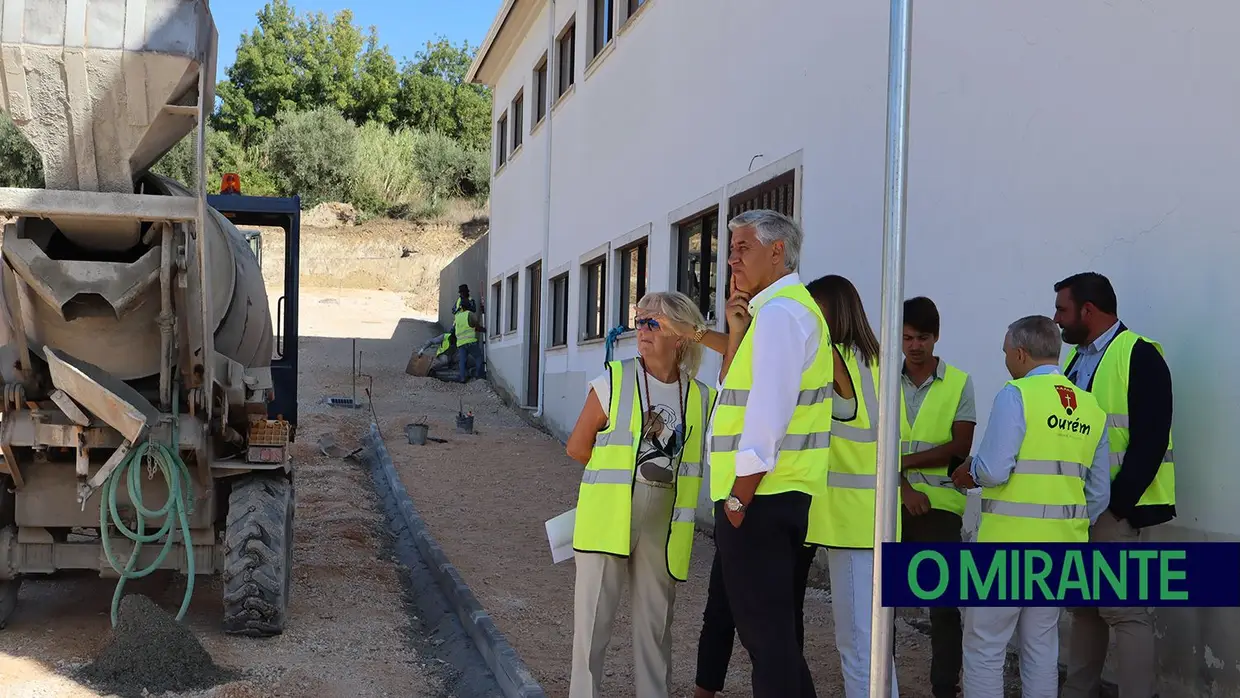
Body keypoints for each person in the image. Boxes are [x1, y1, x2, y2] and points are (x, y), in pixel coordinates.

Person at [706, 208, 833, 698]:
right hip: (776, 496)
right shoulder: (780, 312)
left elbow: (768, 414)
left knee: (768, 640)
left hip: (759, 498)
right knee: (774, 636)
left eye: (742, 250)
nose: (732, 262)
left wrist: (739, 499)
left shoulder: (781, 314)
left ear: (777, 252)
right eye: (730, 251)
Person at [565, 291, 716, 698]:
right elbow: (578, 446)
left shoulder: (701, 397)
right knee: (593, 626)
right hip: (609, 516)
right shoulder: (615, 378)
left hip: (665, 525)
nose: (642, 331)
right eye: (640, 321)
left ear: (681, 336)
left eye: (654, 323)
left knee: (655, 628)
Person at [951, 315, 1111, 698]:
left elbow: (992, 470)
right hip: (1062, 550)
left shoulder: (1016, 394)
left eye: (1007, 352)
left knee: (985, 647)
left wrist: (969, 469)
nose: (1006, 360)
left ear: (1021, 353)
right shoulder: (1091, 408)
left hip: (1005, 548)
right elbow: (1099, 493)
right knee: (1041, 648)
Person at [1053, 272, 1175, 698]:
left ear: (1088, 310)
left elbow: (1152, 438)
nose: (1056, 320)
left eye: (1062, 310)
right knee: (1084, 608)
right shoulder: (1077, 360)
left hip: (1114, 511)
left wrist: (1118, 505)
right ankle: (1079, 691)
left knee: (1124, 611)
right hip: (1079, 508)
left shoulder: (1138, 355)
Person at [801, 274, 900, 698]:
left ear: (829, 314)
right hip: (880, 518)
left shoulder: (833, 359)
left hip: (850, 522)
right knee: (877, 646)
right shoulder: (879, 360)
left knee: (858, 647)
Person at [899, 296, 976, 698]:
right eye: (908, 337)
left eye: (923, 338)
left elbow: (959, 446)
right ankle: (881, 683)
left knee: (944, 606)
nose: (915, 346)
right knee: (881, 603)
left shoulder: (960, 382)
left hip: (941, 509)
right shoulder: (880, 379)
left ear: (937, 338)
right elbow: (868, 445)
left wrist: (901, 460)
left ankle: (945, 687)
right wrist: (904, 486)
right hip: (889, 504)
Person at [453, 284, 485, 382]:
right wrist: (483, 329)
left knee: (462, 361)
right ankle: (480, 377)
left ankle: (462, 378)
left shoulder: (457, 317)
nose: (461, 294)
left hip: (461, 342)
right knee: (478, 357)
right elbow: (476, 325)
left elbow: (455, 326)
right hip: (470, 341)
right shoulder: (469, 314)